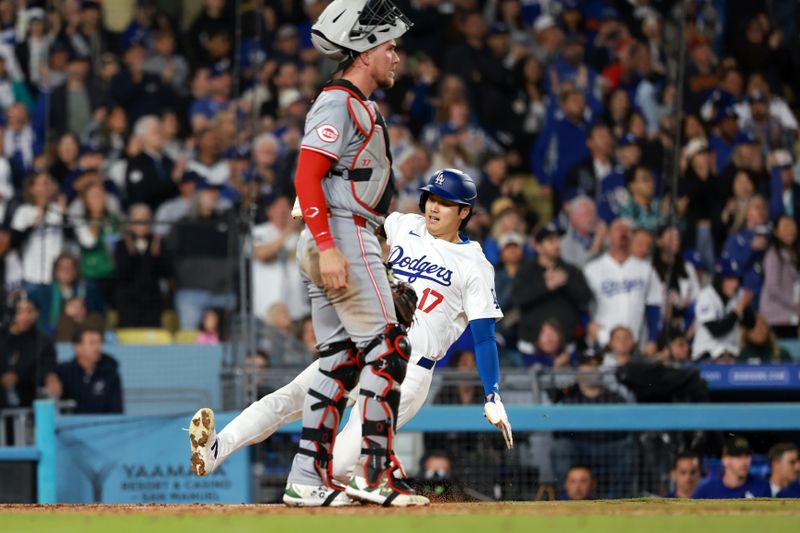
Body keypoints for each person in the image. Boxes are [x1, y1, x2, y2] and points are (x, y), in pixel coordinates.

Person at [191, 0, 429, 508]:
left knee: (340, 361)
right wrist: (328, 247)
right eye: (390, 47)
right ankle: (374, 471)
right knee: (389, 347)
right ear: (364, 52)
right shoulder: (340, 101)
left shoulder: (355, 102)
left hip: (346, 233)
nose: (396, 57)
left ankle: (307, 476)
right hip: (339, 233)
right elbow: (306, 176)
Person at [187, 168, 513, 507]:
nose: (434, 206)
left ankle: (348, 483)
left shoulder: (474, 263)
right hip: (364, 346)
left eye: (446, 203)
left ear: (464, 212)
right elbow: (359, 210)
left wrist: (492, 393)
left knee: (342, 466)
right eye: (432, 197)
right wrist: (319, 201)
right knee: (287, 398)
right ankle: (215, 449)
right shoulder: (405, 225)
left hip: (409, 371)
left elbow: (484, 337)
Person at [583, 218, 663, 351]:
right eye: (619, 229)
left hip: (637, 343)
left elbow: (653, 305)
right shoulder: (592, 269)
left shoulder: (646, 269)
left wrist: (652, 340)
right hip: (604, 340)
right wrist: (588, 324)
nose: (624, 233)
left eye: (627, 230)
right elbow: (581, 303)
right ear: (608, 236)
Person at [512, 224, 592, 350]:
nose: (556, 244)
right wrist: (546, 286)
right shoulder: (526, 271)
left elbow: (586, 298)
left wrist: (565, 282)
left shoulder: (571, 270)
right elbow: (517, 299)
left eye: (557, 239)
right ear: (538, 247)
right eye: (550, 240)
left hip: (567, 344)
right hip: (531, 345)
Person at [46, 326, 122, 414]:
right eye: (92, 343)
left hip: (103, 426)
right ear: (78, 347)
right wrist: (51, 378)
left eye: (99, 343)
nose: (97, 348)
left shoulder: (110, 374)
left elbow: (117, 411)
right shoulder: (64, 372)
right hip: (72, 425)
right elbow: (46, 372)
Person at [691, 257, 756, 361]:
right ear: (719, 279)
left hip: (730, 355)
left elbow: (751, 324)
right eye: (729, 279)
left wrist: (745, 305)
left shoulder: (737, 296)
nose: (734, 284)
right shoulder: (706, 296)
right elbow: (717, 331)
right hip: (706, 356)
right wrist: (738, 309)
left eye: (736, 279)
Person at [0, 298, 56, 409]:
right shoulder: (2, 337)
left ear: (37, 314)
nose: (25, 317)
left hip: (29, 397)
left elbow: (47, 370)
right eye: (20, 311)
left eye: (30, 311)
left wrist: (19, 377)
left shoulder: (43, 341)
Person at [759, 216, 800, 337]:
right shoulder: (773, 255)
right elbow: (773, 288)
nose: (790, 230)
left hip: (791, 315)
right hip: (776, 316)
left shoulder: (794, 253)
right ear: (776, 232)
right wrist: (795, 305)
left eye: (792, 226)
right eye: (785, 227)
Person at [693, 436, 770, 499]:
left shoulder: (762, 486)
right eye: (738, 456)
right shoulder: (706, 490)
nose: (745, 462)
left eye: (747, 456)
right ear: (725, 460)